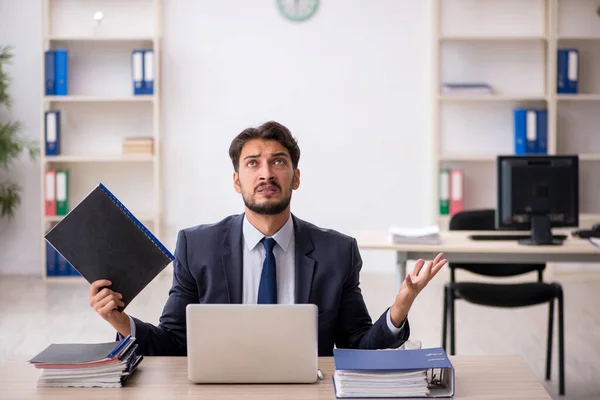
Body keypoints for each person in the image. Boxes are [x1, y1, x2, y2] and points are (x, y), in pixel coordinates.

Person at [89, 121, 447, 356]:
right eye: (252, 164)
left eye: (278, 162)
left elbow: (357, 346)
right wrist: (122, 322)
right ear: (236, 181)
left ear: (296, 178)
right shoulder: (197, 248)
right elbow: (174, 344)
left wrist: (399, 308)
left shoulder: (337, 252)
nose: (265, 173)